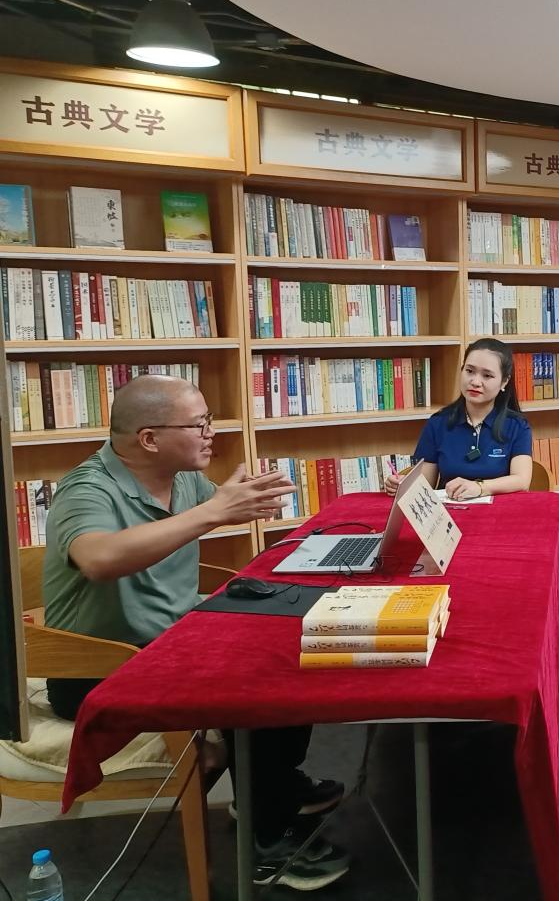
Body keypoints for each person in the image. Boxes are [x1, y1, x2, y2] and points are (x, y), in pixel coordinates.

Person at [40, 375, 350, 890]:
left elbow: (206, 512)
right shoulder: (86, 488)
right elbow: (98, 558)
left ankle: (271, 788)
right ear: (149, 439)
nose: (211, 433)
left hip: (170, 645)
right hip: (99, 671)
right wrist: (215, 510)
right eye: (199, 424)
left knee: (285, 642)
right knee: (257, 683)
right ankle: (269, 840)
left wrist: (236, 499)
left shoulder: (182, 478)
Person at [385, 338, 532, 500]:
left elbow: (522, 480)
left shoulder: (517, 426)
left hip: (499, 511)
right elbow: (425, 483)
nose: (475, 382)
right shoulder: (438, 423)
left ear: (504, 381)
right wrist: (403, 484)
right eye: (469, 371)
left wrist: (480, 487)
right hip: (449, 510)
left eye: (487, 375)